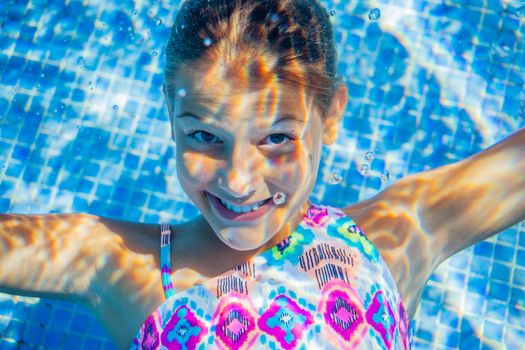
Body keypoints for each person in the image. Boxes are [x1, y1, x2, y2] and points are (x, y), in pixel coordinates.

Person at [0, 0, 524, 349]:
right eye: (205, 136)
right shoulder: (118, 262)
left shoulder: (398, 233)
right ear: (169, 116)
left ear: (333, 116)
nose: (239, 181)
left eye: (276, 138)